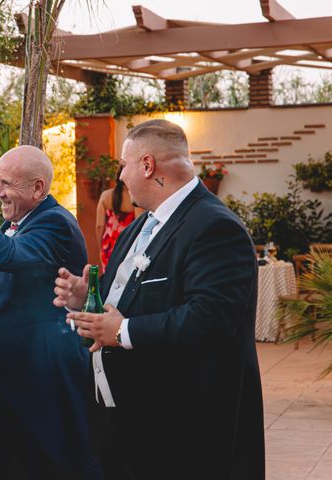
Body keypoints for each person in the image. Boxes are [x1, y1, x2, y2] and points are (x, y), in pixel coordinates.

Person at [54, 119, 265, 480]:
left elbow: (210, 320)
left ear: (148, 165)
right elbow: (128, 296)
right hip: (127, 419)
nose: (120, 176)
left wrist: (121, 332)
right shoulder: (142, 224)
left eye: (124, 164)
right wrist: (86, 295)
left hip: (183, 426)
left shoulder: (215, 228)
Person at [0, 140, 101, 480]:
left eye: (6, 183)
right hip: (11, 379)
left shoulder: (55, 224)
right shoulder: (22, 223)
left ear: (38, 187)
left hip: (43, 389)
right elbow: (20, 305)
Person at [95, 167, 141, 272]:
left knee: (108, 279)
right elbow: (139, 223)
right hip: (127, 244)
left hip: (108, 245)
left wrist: (101, 247)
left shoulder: (105, 196)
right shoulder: (134, 198)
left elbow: (99, 226)